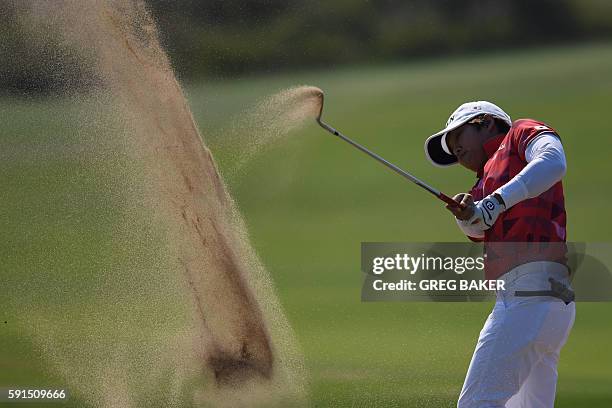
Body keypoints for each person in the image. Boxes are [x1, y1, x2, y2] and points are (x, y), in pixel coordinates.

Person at [424, 101, 575, 408]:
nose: (454, 149)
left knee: (477, 404)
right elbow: (479, 230)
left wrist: (493, 203)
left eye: (457, 136)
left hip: (529, 296)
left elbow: (553, 162)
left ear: (485, 122)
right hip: (546, 301)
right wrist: (465, 215)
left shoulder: (519, 133)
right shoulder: (482, 182)